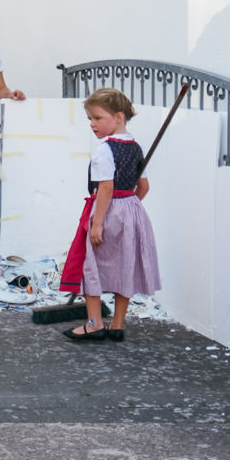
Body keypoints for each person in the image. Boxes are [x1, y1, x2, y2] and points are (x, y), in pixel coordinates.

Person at [58, 87, 161, 342]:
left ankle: (94, 324)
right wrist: (130, 208)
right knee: (124, 267)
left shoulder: (104, 149)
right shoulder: (136, 147)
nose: (92, 124)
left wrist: (98, 224)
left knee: (90, 266)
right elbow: (144, 187)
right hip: (132, 210)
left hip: (108, 211)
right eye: (90, 119)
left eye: (97, 118)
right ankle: (117, 325)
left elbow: (106, 187)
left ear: (118, 117)